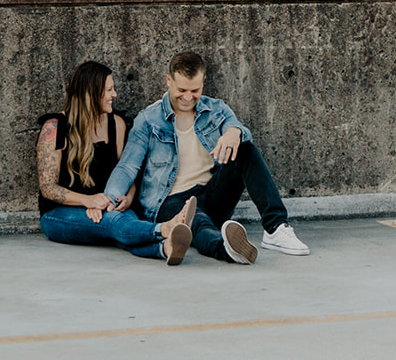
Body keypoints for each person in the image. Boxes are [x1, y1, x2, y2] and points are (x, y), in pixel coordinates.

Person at [101, 51, 310, 265]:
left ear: (203, 82)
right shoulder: (148, 120)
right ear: (168, 81)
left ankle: (275, 228)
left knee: (245, 148)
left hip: (211, 194)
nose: (188, 97)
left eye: (195, 90)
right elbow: (127, 167)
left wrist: (233, 132)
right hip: (170, 201)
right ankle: (226, 249)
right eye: (181, 90)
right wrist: (108, 199)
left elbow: (239, 129)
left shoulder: (216, 109)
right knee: (197, 221)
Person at [37, 60, 196, 265]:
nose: (115, 95)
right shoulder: (54, 128)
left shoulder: (116, 124)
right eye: (109, 90)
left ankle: (165, 249)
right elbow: (47, 188)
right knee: (114, 224)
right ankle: (165, 228)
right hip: (59, 214)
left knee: (123, 224)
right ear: (91, 94)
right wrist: (88, 201)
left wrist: (129, 197)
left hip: (108, 205)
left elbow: (127, 170)